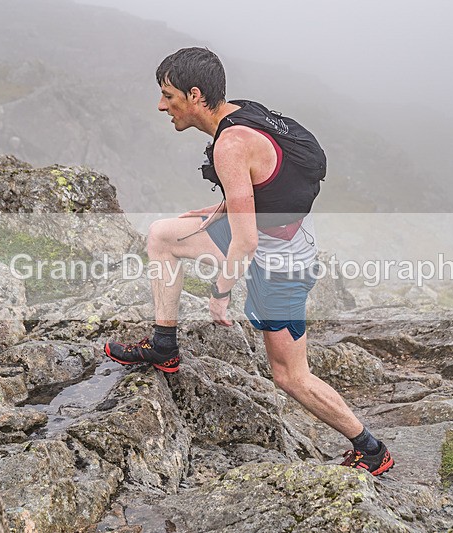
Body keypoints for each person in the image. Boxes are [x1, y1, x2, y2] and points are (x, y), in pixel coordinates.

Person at [106, 47, 393, 476]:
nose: (161, 105)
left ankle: (371, 450)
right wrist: (214, 214)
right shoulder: (243, 113)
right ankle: (164, 345)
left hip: (280, 264)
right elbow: (260, 187)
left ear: (195, 94)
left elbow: (246, 242)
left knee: (290, 375)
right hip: (278, 237)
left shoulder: (229, 144)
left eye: (168, 95)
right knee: (164, 236)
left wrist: (220, 295)